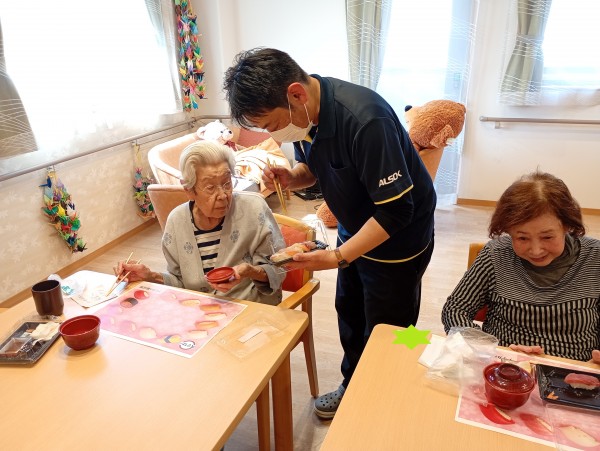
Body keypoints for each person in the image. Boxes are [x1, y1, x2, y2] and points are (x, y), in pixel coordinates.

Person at [223, 48, 437, 418]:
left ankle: (381, 405)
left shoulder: (366, 120)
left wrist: (337, 257)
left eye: (272, 125)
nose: (273, 134)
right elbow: (314, 169)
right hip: (355, 229)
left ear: (295, 94)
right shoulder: (304, 117)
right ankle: (353, 387)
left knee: (387, 329)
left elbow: (397, 210)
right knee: (350, 312)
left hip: (398, 239)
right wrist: (293, 177)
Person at [442, 171, 600, 365]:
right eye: (522, 238)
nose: (536, 250)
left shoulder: (595, 257)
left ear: (567, 226)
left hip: (574, 372)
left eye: (547, 237)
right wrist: (485, 350)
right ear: (508, 230)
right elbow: (455, 309)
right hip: (504, 367)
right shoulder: (496, 254)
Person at [116, 140, 286, 306]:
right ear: (189, 190)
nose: (223, 195)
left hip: (251, 308)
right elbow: (179, 282)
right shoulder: (176, 221)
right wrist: (150, 276)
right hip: (198, 311)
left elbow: (279, 268)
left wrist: (250, 271)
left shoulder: (254, 209)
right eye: (210, 188)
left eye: (227, 183)